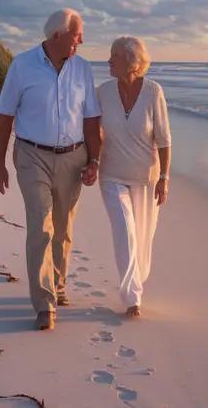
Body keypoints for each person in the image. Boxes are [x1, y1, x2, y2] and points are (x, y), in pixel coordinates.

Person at [0, 8, 101, 331]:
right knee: (41, 225)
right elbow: (5, 117)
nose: (82, 40)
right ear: (58, 35)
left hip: (73, 157)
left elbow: (92, 119)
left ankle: (57, 283)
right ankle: (44, 304)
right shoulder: (22, 66)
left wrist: (94, 160)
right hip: (32, 156)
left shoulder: (83, 69)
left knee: (63, 228)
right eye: (77, 35)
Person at [86, 36, 171, 318]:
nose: (109, 60)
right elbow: (94, 132)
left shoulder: (153, 92)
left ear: (132, 62)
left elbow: (164, 139)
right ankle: (133, 298)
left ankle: (136, 279)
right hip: (111, 174)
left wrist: (165, 178)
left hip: (146, 177)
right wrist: (92, 161)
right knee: (125, 231)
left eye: (115, 56)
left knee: (143, 240)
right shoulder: (103, 92)